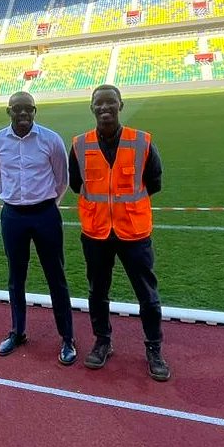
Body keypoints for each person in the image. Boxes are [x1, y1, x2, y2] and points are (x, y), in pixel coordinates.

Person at [69, 84, 170, 381]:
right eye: (98, 104)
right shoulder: (79, 145)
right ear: (91, 108)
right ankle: (103, 341)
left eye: (110, 103)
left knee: (147, 296)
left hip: (134, 234)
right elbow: (77, 185)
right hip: (96, 233)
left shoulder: (142, 142)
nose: (104, 109)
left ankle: (154, 349)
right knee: (97, 292)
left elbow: (154, 182)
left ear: (121, 105)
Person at [0, 91, 77, 365]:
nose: (23, 114)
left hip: (45, 214)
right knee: (16, 276)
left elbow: (62, 179)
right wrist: (15, 200)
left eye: (28, 109)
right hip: (13, 216)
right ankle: (18, 332)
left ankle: (67, 338)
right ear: (8, 112)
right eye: (17, 109)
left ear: (35, 111)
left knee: (55, 277)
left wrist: (47, 204)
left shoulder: (50, 139)